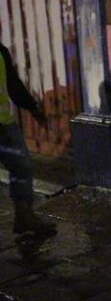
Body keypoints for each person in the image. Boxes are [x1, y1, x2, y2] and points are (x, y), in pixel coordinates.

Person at [0, 43, 56, 236]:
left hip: (4, 124)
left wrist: (32, 108)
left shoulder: (1, 51)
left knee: (22, 166)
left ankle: (24, 216)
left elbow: (13, 84)